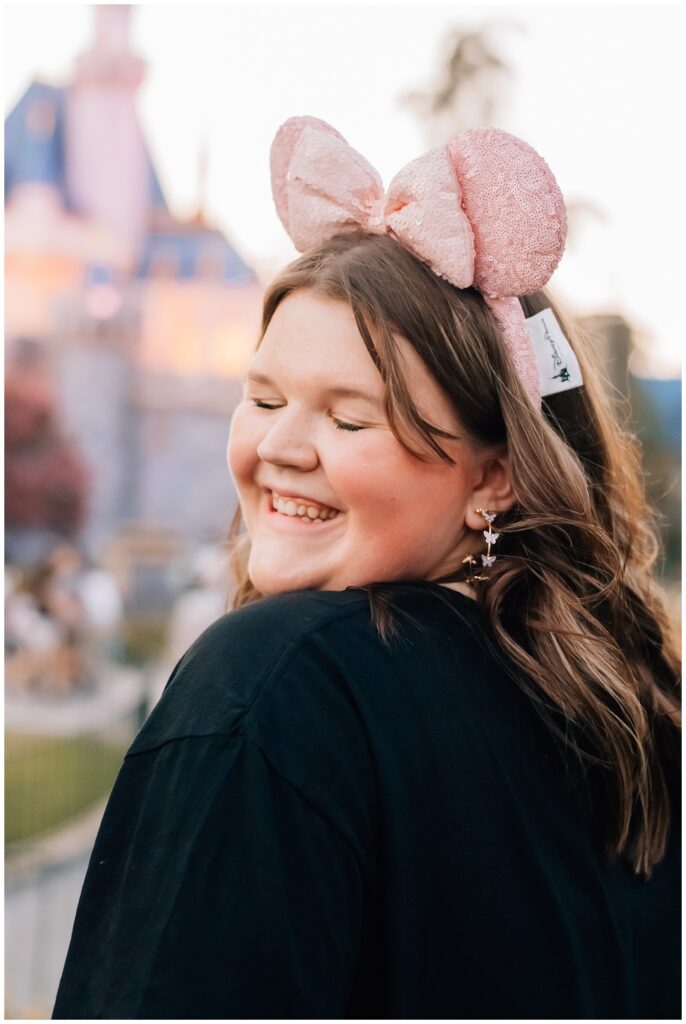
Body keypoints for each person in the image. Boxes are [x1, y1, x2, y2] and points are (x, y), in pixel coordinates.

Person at [53, 119, 680, 1019]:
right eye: (262, 397)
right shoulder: (633, 707)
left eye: (349, 420)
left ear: (494, 476)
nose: (278, 446)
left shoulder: (280, 688)